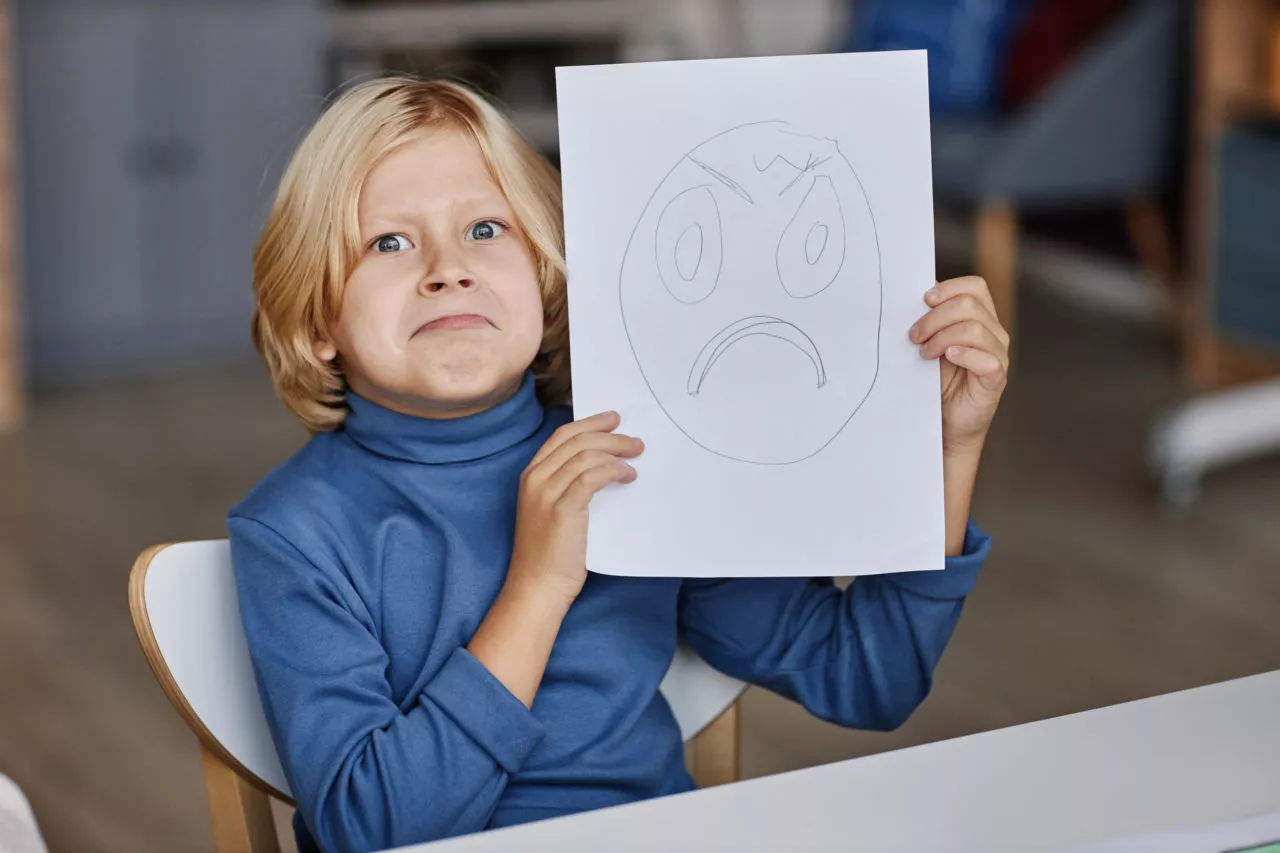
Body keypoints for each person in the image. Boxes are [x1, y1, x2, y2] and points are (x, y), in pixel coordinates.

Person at [229, 76, 1009, 853]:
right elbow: (372, 828)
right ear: (316, 316)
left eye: (486, 229)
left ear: (545, 273)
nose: (447, 268)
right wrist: (537, 583)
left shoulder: (642, 457)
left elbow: (869, 679)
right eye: (389, 243)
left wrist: (948, 445)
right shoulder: (294, 532)